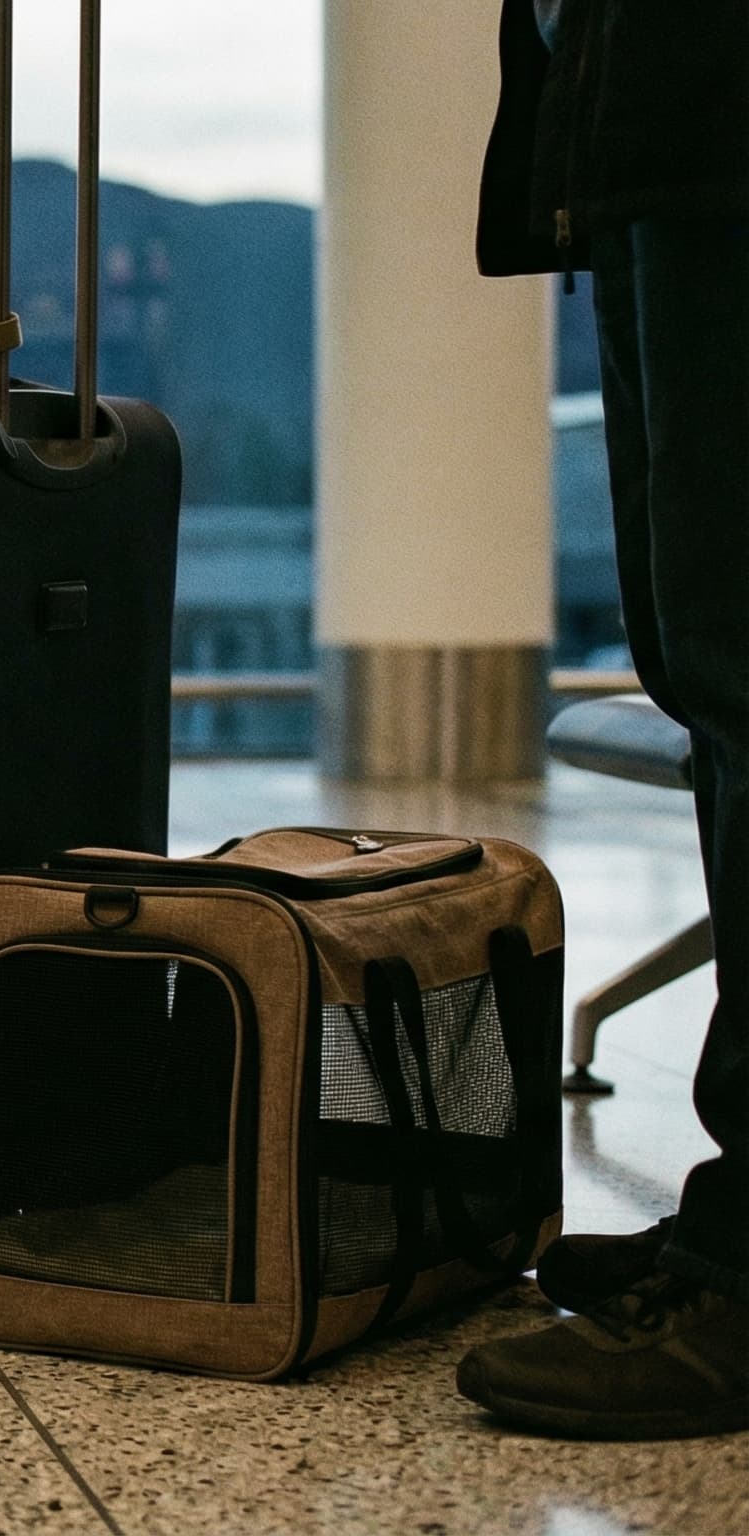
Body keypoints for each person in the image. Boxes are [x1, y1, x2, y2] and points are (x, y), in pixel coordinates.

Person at [457, 0, 749, 1439]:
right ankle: (735, 1213)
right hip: (646, 135)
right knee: (707, 674)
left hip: (712, 127)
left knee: (744, 676)